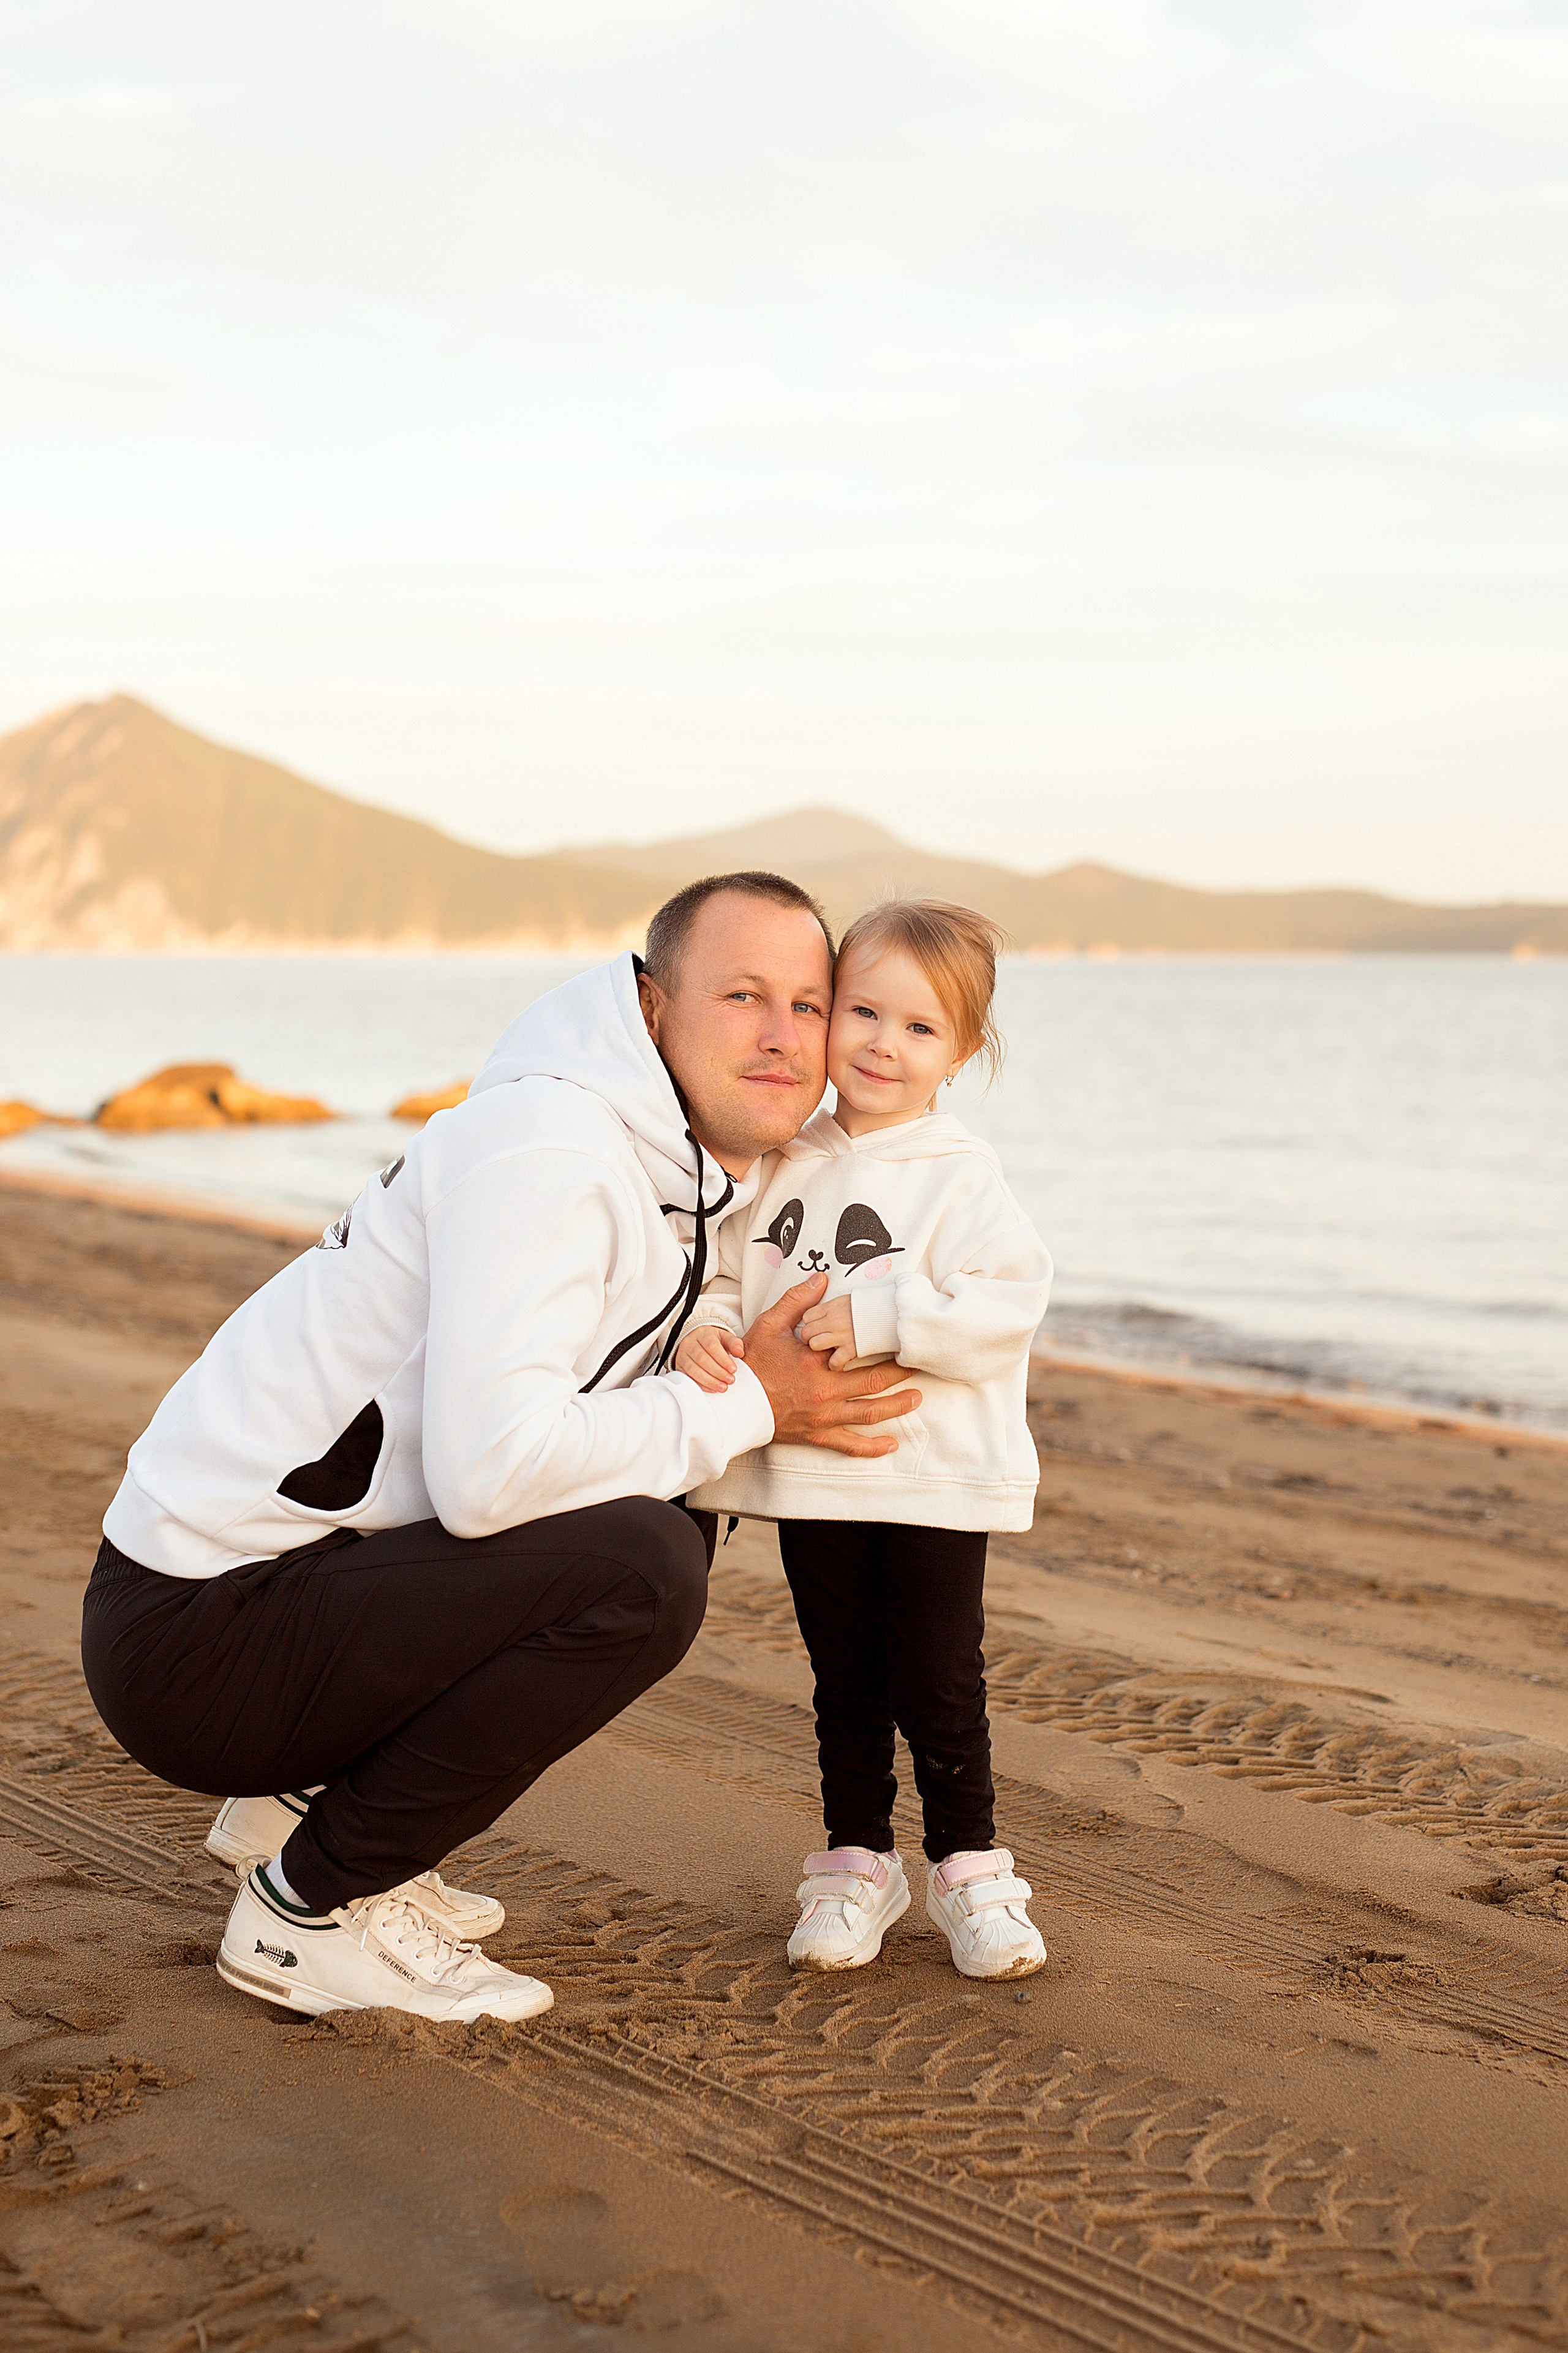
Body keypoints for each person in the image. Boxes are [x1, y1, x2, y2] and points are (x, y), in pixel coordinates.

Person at [80, 873, 921, 2024]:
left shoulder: (668, 1159)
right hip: (196, 1636)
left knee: (669, 1506)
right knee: (643, 1565)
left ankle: (297, 1810)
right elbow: (490, 1479)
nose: (783, 1034)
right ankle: (312, 1905)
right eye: (742, 995)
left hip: (269, 1588)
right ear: (651, 1006)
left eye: (810, 1004)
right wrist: (755, 1405)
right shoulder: (554, 1151)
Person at [677, 899, 1052, 1981]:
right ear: (829, 1013)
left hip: (927, 1475)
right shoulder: (783, 1156)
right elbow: (726, 1268)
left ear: (962, 1053)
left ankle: (970, 1867)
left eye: (921, 1028)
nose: (886, 1044)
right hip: (814, 1472)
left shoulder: (960, 1172)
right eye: (865, 1013)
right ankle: (856, 1863)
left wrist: (887, 1316)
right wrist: (708, 1327)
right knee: (843, 1676)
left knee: (938, 1675)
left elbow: (1010, 1300)